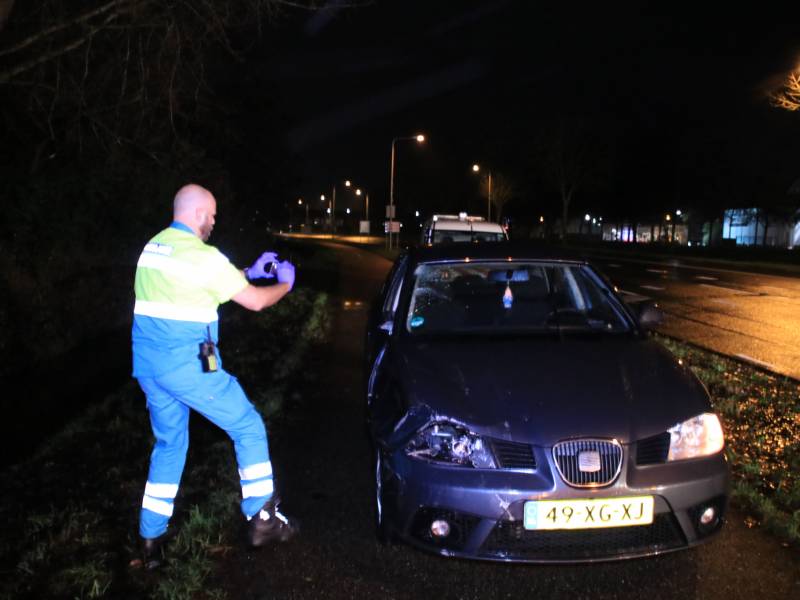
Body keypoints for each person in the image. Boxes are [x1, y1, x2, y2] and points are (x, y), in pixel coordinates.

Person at [132, 183, 297, 569]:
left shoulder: (153, 248)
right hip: (187, 367)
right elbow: (255, 301)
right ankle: (262, 519)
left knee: (170, 445)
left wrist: (250, 271)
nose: (214, 223)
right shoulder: (202, 256)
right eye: (212, 216)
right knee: (248, 425)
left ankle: (150, 539)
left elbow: (205, 281)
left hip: (149, 367)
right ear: (199, 213)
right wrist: (284, 284)